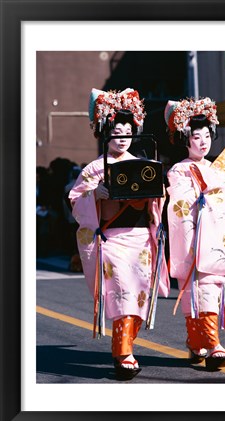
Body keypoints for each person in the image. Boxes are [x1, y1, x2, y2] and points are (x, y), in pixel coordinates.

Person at [69, 88, 170, 380]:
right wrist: (95, 194)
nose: (123, 135)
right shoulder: (94, 168)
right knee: (123, 292)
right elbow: (76, 201)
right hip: (112, 240)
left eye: (128, 129)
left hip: (140, 240)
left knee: (138, 295)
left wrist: (158, 192)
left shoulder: (144, 164)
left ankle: (123, 345)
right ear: (105, 132)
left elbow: (156, 203)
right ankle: (123, 353)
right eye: (116, 130)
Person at [164, 97, 225, 371]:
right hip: (194, 239)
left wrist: (221, 187)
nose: (203, 141)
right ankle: (212, 345)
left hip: (213, 238)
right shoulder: (179, 170)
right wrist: (216, 187)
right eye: (196, 136)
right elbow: (181, 207)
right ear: (185, 140)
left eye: (207, 135)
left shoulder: (215, 168)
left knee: (212, 287)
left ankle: (196, 341)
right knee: (199, 289)